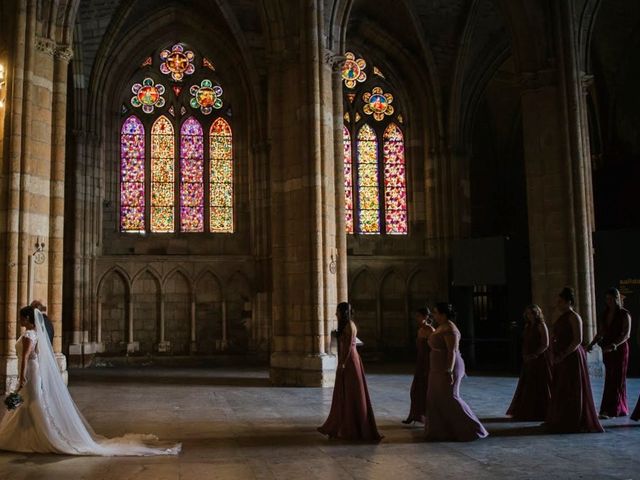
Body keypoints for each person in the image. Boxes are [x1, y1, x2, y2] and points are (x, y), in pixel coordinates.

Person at [0, 306, 181, 455]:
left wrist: (22, 376)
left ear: (27, 319)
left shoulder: (29, 336)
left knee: (33, 402)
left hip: (30, 371)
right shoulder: (36, 334)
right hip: (35, 370)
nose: (19, 321)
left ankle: (42, 435)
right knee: (31, 403)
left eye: (21, 318)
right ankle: (30, 434)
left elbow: (25, 357)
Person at [318, 302, 382, 442]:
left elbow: (347, 348)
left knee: (351, 392)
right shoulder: (347, 326)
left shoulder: (349, 326)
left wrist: (343, 364)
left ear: (343, 312)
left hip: (350, 362)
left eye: (338, 311)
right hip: (348, 360)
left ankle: (351, 427)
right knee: (346, 392)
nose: (336, 314)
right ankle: (343, 424)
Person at [424, 303, 488, 441]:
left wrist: (449, 370)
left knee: (450, 397)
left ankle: (473, 429)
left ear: (443, 314)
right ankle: (441, 431)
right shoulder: (441, 327)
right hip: (436, 367)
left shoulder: (450, 328)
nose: (433, 315)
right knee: (434, 397)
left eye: (435, 312)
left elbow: (452, 351)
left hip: (448, 366)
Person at [545, 287, 604, 433]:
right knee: (561, 387)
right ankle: (560, 417)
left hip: (571, 357)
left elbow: (577, 340)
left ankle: (573, 419)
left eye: (560, 302)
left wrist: (563, 354)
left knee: (572, 387)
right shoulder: (562, 316)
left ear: (569, 302)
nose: (558, 304)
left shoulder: (573, 316)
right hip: (561, 356)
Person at [586, 288, 631, 419]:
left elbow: (626, 334)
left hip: (620, 349)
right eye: (607, 299)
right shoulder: (604, 314)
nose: (608, 301)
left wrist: (614, 345)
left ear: (617, 298)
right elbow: (601, 332)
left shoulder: (624, 314)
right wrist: (592, 343)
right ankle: (608, 408)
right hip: (607, 349)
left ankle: (615, 409)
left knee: (618, 379)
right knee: (609, 379)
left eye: (611, 299)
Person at [506, 305, 552, 421]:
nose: (529, 315)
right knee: (528, 384)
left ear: (536, 313)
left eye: (531, 313)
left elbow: (545, 344)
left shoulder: (541, 325)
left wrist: (534, 355)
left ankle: (542, 411)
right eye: (527, 313)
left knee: (539, 384)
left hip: (539, 359)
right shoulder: (528, 326)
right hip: (528, 358)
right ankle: (529, 410)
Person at [403, 308, 435, 424]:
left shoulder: (431, 330)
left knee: (425, 389)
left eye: (418, 316)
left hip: (427, 362)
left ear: (425, 317)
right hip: (420, 361)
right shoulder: (420, 330)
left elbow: (433, 348)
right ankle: (414, 414)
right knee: (415, 390)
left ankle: (427, 416)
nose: (417, 318)